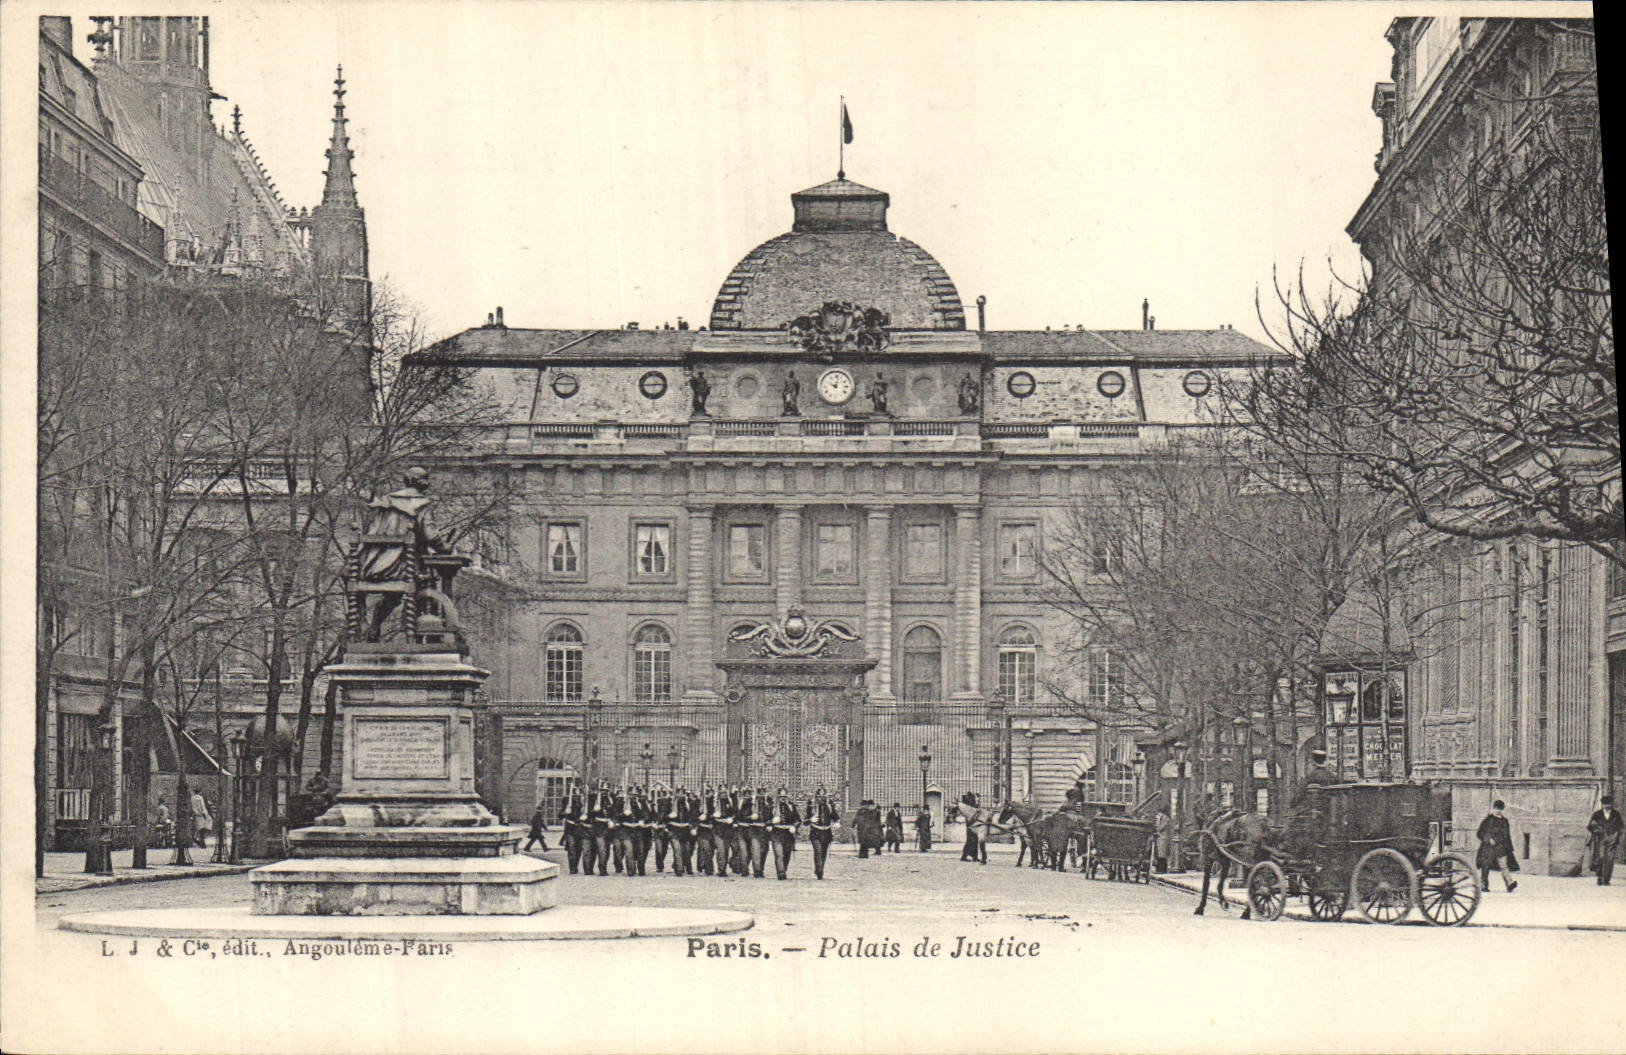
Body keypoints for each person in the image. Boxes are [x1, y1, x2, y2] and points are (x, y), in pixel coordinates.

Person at [353, 467, 453, 641]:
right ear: (423, 483)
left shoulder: (385, 501)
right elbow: (430, 535)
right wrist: (445, 547)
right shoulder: (421, 504)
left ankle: (372, 628)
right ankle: (426, 637)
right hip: (400, 565)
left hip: (370, 564)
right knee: (425, 582)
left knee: (394, 596)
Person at [1476, 799, 1519, 892]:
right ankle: (1483, 884)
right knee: (1486, 866)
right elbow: (1480, 833)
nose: (1498, 811)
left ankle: (1509, 883)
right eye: (1496, 808)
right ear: (1493, 808)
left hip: (1500, 847)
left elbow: (1507, 835)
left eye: (1500, 809)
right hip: (1488, 848)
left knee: (1504, 865)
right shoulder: (1488, 820)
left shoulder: (1504, 821)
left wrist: (1508, 848)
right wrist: (1488, 839)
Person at [1587, 794, 1623, 886]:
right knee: (1600, 858)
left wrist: (1617, 835)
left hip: (1612, 840)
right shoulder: (1597, 814)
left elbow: (1621, 826)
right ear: (1602, 805)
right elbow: (1590, 826)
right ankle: (1600, 877)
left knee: (1610, 860)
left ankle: (1606, 879)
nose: (1608, 806)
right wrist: (1596, 831)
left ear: (1612, 804)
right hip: (1600, 840)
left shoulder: (1616, 814)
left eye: (1609, 804)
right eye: (1606, 804)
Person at [806, 788, 839, 879]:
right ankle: (819, 871)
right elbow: (805, 820)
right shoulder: (812, 806)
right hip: (815, 832)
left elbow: (835, 816)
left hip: (826, 832)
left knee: (823, 853)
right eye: (819, 796)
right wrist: (810, 820)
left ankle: (819, 869)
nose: (821, 798)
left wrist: (836, 822)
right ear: (816, 797)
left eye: (823, 796)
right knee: (818, 851)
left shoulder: (829, 805)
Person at [959, 790, 982, 863]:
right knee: (971, 840)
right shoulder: (970, 804)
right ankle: (964, 856)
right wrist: (978, 802)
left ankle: (974, 856)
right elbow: (974, 811)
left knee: (974, 840)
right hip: (971, 824)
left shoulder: (970, 804)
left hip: (972, 824)